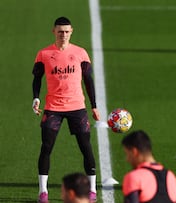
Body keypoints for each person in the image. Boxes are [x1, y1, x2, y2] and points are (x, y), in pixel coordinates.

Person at [32, 17, 100, 203]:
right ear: (53, 31)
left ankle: (92, 190)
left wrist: (94, 106)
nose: (63, 35)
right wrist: (36, 98)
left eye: (66, 31)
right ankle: (43, 192)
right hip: (53, 108)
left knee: (86, 147)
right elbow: (37, 78)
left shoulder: (80, 53)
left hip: (77, 107)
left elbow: (89, 81)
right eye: (60, 31)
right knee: (46, 147)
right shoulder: (44, 54)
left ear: (71, 32)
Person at [121, 130, 176, 203]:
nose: (127, 159)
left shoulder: (134, 177)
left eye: (127, 154)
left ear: (134, 152)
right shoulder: (171, 177)